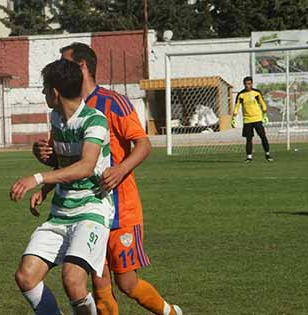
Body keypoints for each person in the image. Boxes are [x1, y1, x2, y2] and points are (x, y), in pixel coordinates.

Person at [34, 43, 181, 315]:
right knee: (100, 287)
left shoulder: (113, 102)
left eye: (64, 62)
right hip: (88, 211)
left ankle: (171, 313)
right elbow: (66, 162)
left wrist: (120, 169)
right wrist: (45, 177)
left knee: (127, 283)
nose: (59, 68)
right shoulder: (62, 111)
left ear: (81, 67)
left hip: (121, 210)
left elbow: (144, 144)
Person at [11, 59, 113, 315]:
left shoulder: (94, 120)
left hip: (91, 210)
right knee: (26, 276)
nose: (44, 94)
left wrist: (38, 179)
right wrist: (44, 188)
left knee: (72, 279)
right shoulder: (56, 118)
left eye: (45, 89)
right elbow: (63, 163)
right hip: (60, 212)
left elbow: (86, 166)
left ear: (55, 92)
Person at [231, 76, 273, 162]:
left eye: (249, 84)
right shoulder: (241, 95)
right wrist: (233, 118)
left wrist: (265, 115)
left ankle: (267, 154)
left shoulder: (256, 93)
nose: (247, 86)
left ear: (252, 84)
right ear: (244, 84)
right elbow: (236, 106)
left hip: (257, 119)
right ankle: (249, 157)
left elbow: (263, 104)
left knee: (263, 136)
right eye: (246, 84)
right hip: (247, 120)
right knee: (249, 139)